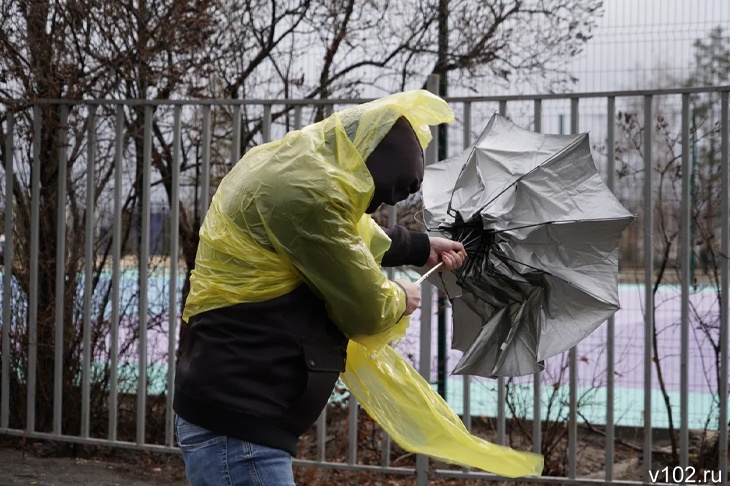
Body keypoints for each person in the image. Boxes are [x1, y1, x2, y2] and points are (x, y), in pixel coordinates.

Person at [173, 91, 464, 486]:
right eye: (373, 195)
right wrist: (400, 299)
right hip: (239, 427)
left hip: (234, 413)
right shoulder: (307, 197)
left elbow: (349, 234)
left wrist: (421, 246)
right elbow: (366, 308)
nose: (368, 207)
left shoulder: (292, 168)